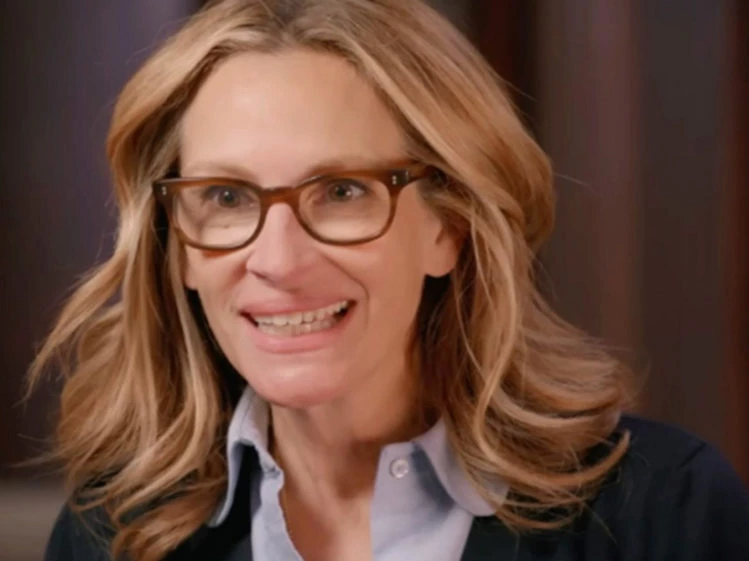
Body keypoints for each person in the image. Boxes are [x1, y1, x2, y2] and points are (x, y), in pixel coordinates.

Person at [32, 0, 749, 560]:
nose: (278, 260)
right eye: (226, 197)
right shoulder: (109, 536)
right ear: (178, 248)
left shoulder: (666, 514)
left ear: (449, 226)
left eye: (341, 192)